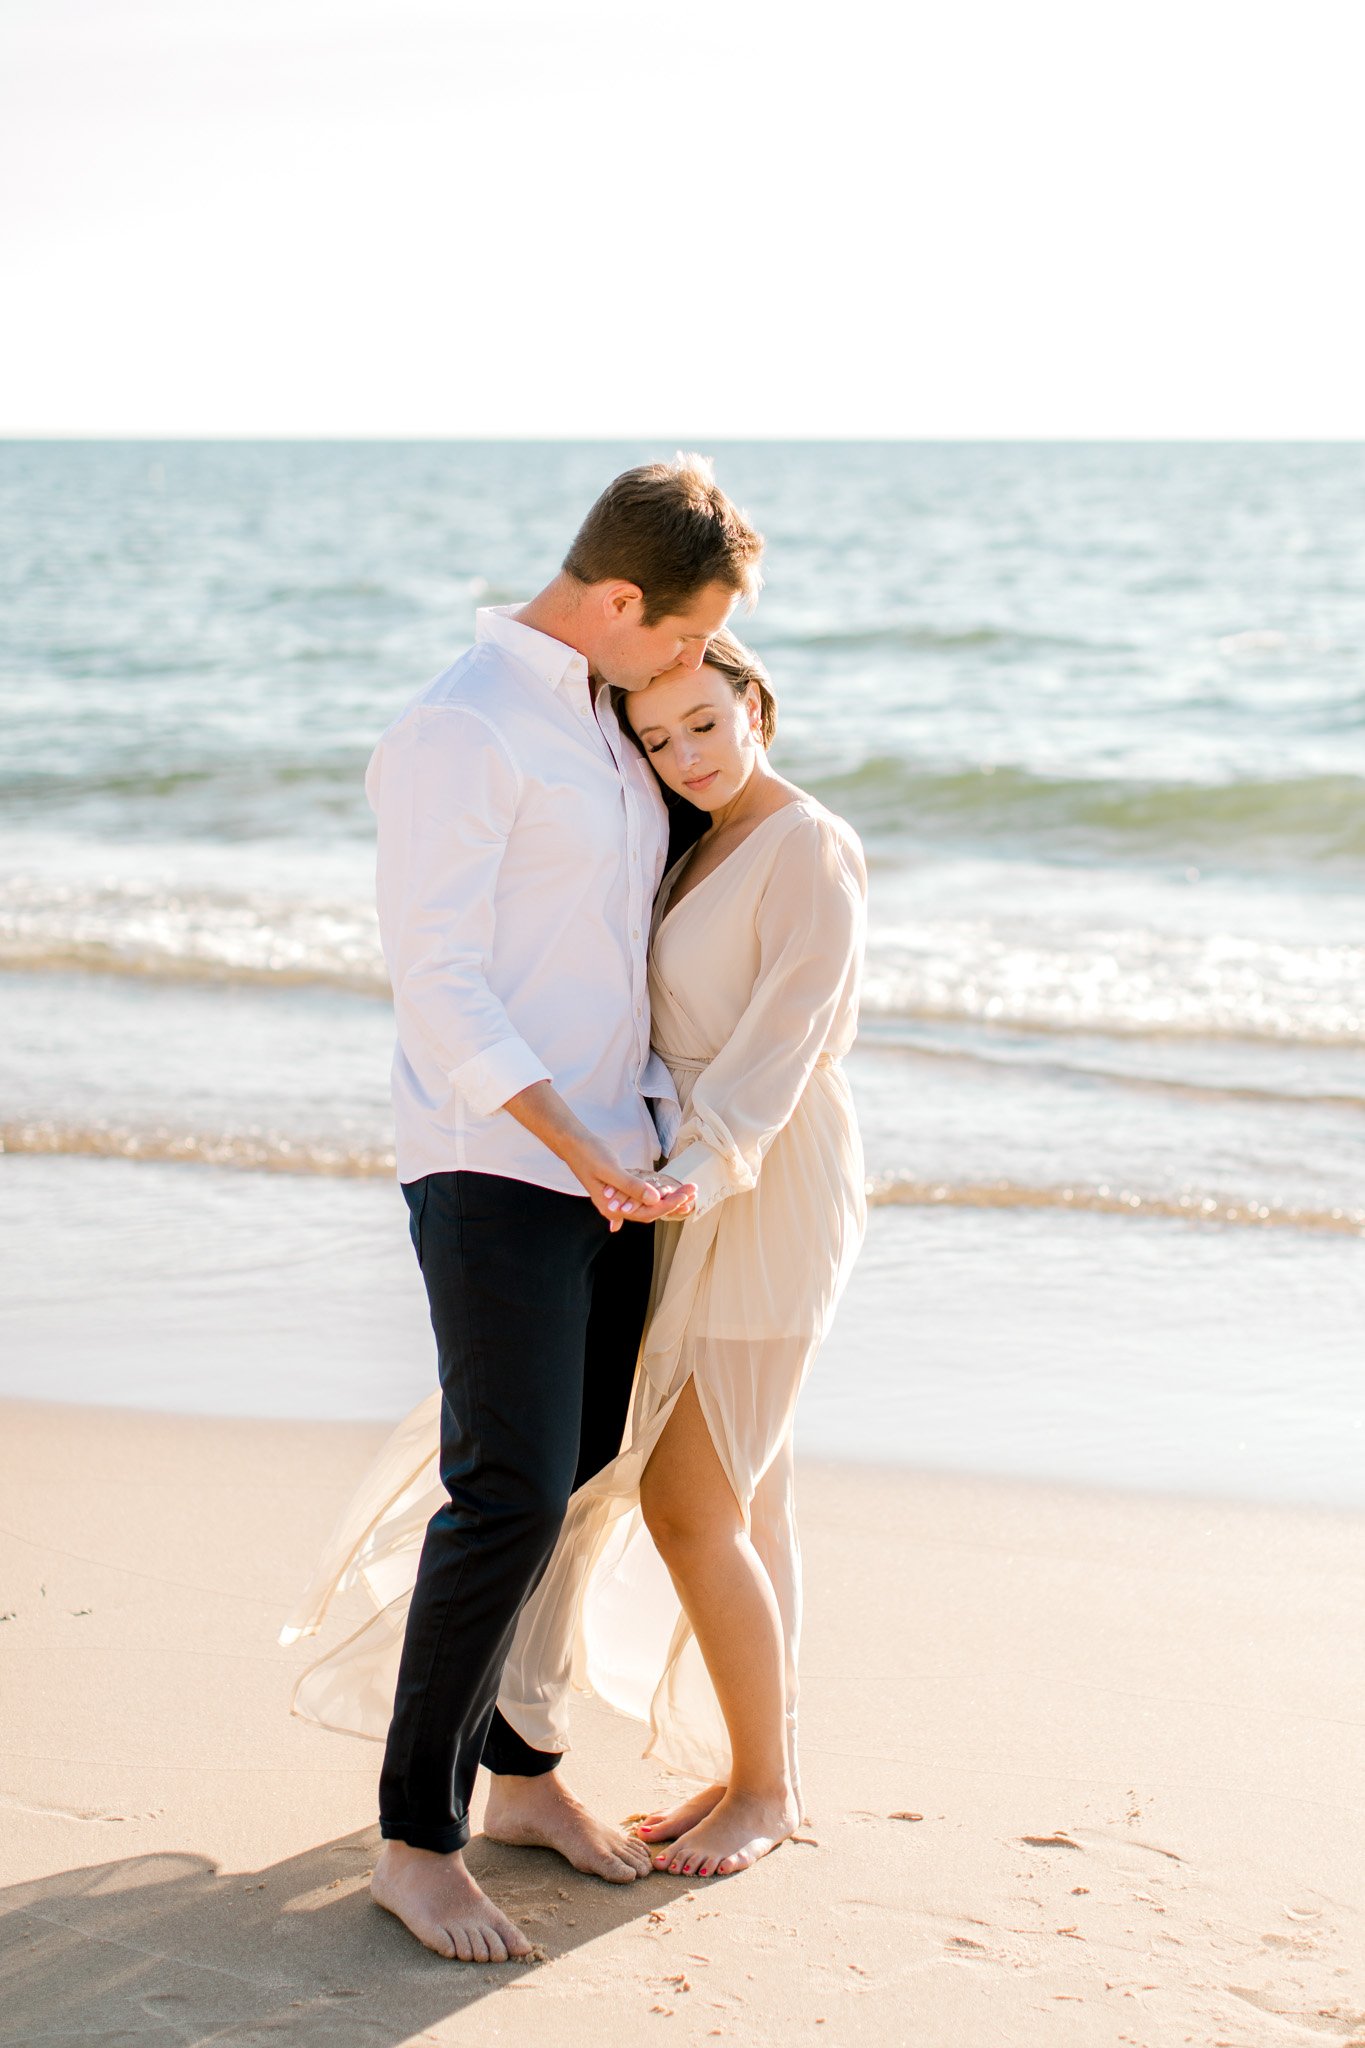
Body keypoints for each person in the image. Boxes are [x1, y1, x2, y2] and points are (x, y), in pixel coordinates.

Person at [284, 620, 867, 1904]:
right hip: (677, 1181)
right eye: (658, 738)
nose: (686, 754)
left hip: (756, 1187)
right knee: (741, 1489)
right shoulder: (694, 844)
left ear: (756, 702)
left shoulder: (809, 844)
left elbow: (776, 1060)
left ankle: (770, 1784)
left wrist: (694, 1175)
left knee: (696, 1497)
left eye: (706, 723)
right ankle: (749, 1762)